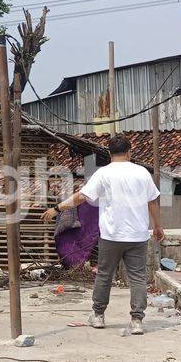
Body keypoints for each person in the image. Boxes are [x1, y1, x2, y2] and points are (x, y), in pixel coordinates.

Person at [42, 135, 165, 335]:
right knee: (138, 277)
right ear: (129, 152)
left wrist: (57, 209)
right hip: (137, 235)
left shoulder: (104, 174)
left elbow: (82, 197)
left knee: (104, 275)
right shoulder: (142, 173)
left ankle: (98, 316)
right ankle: (137, 321)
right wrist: (158, 226)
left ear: (109, 153)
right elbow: (152, 202)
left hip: (111, 235)